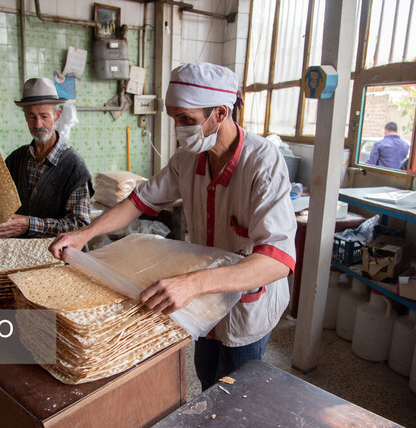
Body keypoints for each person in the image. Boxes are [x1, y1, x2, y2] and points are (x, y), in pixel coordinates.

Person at [49, 63, 296, 391]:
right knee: (207, 380)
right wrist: (85, 234)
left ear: (220, 113)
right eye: (174, 119)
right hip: (200, 303)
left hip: (245, 302)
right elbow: (138, 202)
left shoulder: (262, 164)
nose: (179, 130)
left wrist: (193, 283)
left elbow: (277, 260)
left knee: (238, 393)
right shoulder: (188, 159)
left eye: (186, 120)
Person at [0, 77, 93, 238]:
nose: (38, 124)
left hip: (59, 258)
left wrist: (30, 225)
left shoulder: (73, 166)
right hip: (22, 253)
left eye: (44, 116)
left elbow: (80, 225)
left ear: (57, 115)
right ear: (25, 117)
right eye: (32, 116)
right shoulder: (17, 159)